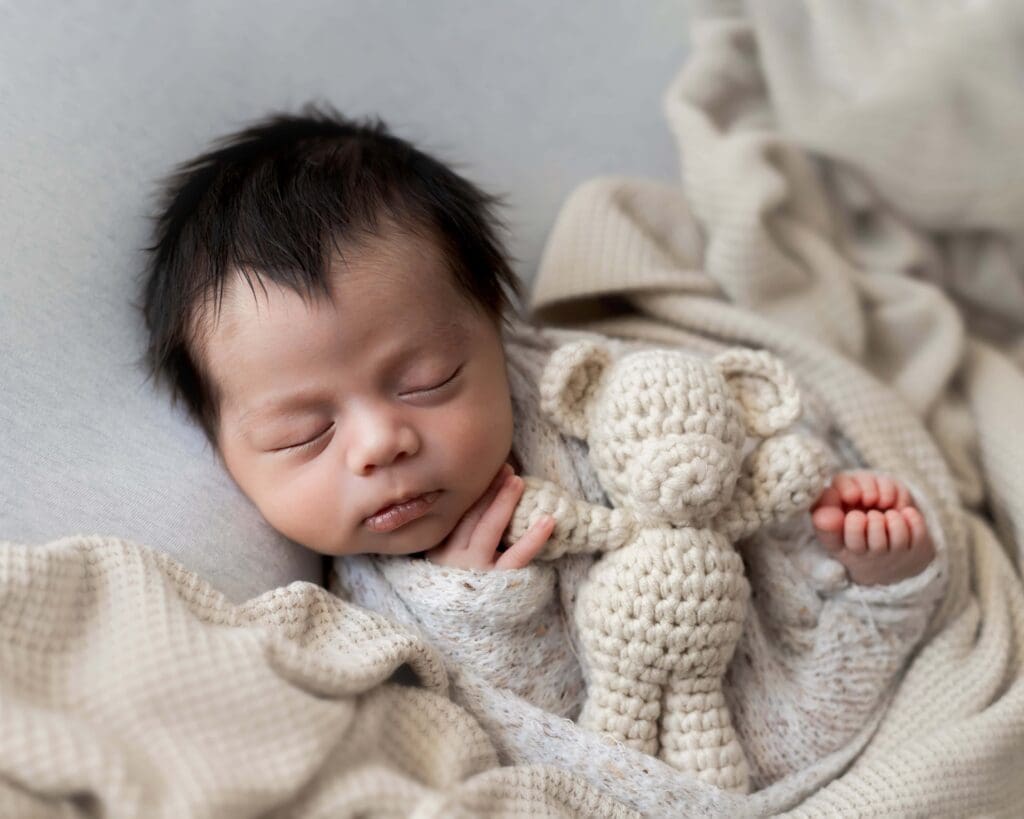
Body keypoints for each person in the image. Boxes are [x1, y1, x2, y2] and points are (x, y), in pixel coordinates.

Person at [139, 106, 941, 784]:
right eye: (304, 433)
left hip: (763, 654)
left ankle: (881, 592)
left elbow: (719, 445)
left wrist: (823, 534)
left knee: (835, 642)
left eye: (427, 379)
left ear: (495, 330)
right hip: (631, 753)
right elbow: (537, 748)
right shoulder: (347, 618)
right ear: (225, 448)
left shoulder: (570, 393)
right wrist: (482, 613)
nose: (383, 441)